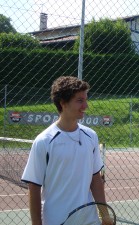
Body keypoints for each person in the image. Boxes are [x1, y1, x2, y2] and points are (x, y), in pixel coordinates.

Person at [21, 76, 113, 225]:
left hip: (89, 220)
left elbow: (96, 180)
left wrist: (105, 215)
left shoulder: (91, 136)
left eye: (85, 99)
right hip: (56, 221)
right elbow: (34, 187)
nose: (86, 106)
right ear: (63, 103)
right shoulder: (44, 141)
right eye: (79, 100)